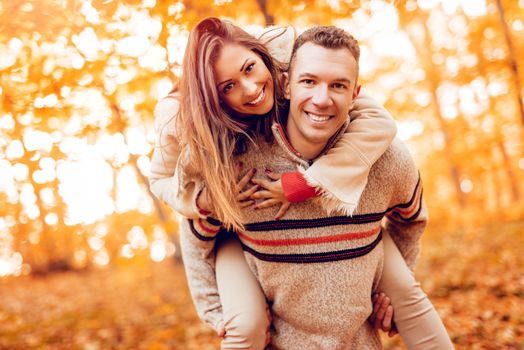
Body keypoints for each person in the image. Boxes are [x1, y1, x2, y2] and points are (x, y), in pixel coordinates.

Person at [150, 18, 453, 349]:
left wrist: (306, 183)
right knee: (244, 327)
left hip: (362, 265)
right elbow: (181, 213)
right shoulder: (219, 151)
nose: (249, 89)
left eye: (250, 69)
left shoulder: (291, 56)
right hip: (241, 243)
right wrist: (204, 201)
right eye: (228, 86)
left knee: (410, 299)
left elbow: (379, 124)